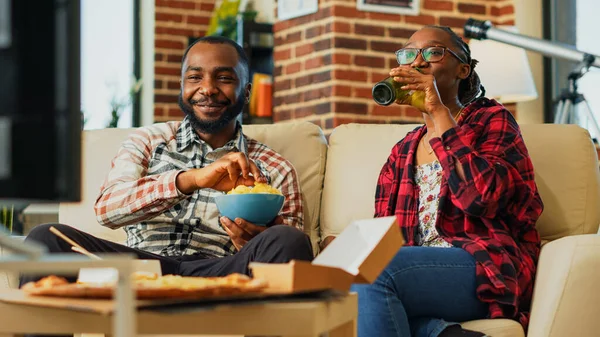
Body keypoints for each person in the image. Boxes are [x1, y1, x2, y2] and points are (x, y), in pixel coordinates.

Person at [19, 35, 313, 287]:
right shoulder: (148, 139)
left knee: (289, 241)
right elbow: (107, 209)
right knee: (45, 238)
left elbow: (290, 252)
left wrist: (248, 242)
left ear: (246, 92)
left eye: (224, 78)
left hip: (221, 270)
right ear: (182, 86)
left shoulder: (275, 167)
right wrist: (191, 179)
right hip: (141, 267)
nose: (207, 88)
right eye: (195, 77)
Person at [326, 26, 543, 337]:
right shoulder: (402, 151)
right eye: (409, 54)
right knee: (340, 287)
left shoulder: (492, 120)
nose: (419, 62)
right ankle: (441, 332)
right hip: (415, 271)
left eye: (433, 52)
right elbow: (388, 234)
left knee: (375, 270)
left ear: (462, 69)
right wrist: (343, 249)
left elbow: (482, 197)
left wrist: (439, 111)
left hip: (483, 265)